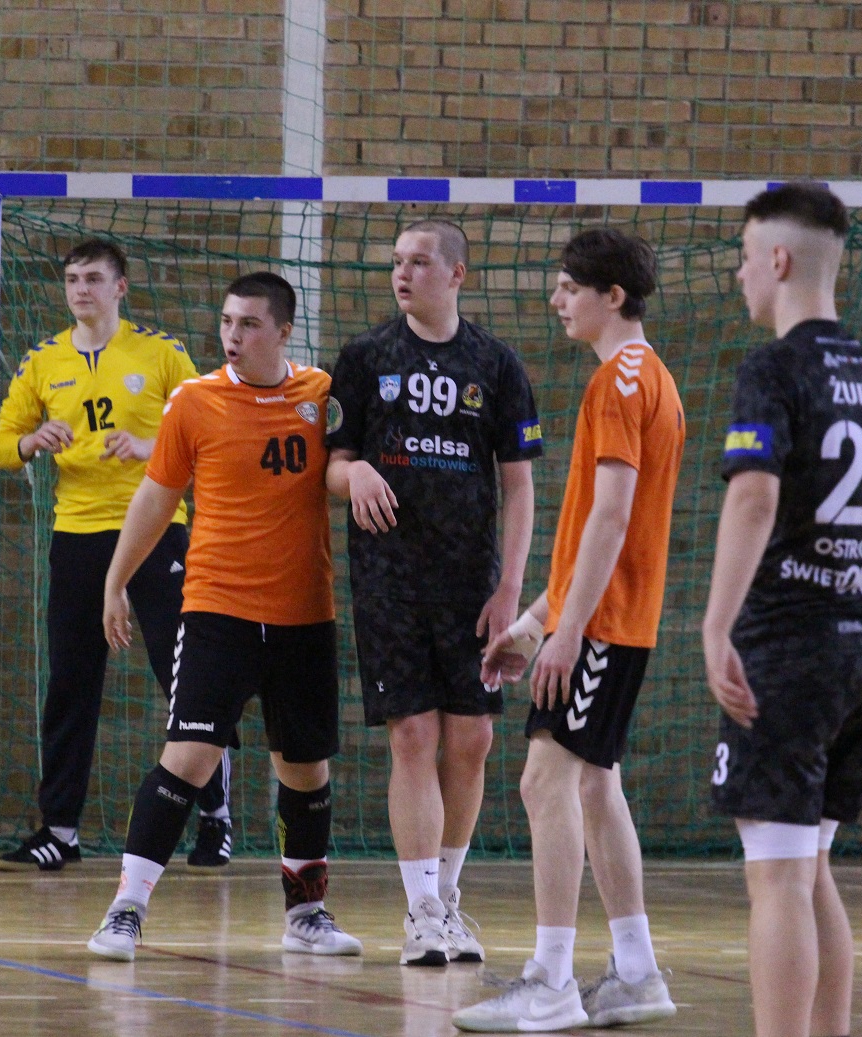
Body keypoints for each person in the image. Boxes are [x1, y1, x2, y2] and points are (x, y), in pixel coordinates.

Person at [85, 271, 362, 962]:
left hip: (305, 613)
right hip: (218, 610)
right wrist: (116, 581)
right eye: (227, 322)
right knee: (188, 757)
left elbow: (342, 469)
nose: (232, 336)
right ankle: (126, 909)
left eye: (249, 324)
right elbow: (156, 498)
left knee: (305, 768)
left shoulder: (321, 396)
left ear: (284, 331)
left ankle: (306, 913)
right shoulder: (195, 401)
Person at [452, 228, 683, 1031]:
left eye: (568, 287)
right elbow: (599, 526)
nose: (556, 300)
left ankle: (550, 981)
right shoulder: (648, 376)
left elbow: (612, 519)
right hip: (611, 618)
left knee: (542, 780)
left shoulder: (620, 381)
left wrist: (569, 630)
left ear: (611, 296)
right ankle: (637, 972)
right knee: (593, 782)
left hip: (605, 623)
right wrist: (534, 621)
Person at [702, 183, 862, 1037]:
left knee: (778, 877)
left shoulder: (775, 367)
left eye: (745, 256)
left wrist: (715, 624)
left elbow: (754, 497)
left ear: (780, 259)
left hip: (793, 648)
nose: (740, 274)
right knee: (811, 862)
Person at [325, 219, 541, 967]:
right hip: (389, 579)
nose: (402, 273)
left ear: (456, 274)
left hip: (471, 583)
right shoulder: (364, 358)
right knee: (412, 735)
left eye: (418, 261)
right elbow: (330, 465)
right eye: (396, 261)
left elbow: (519, 485)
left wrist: (510, 587)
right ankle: (419, 911)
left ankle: (448, 898)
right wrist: (353, 472)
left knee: (473, 738)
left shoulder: (497, 364)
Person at [0, 238, 234, 872]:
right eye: (73, 279)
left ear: (120, 287)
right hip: (77, 534)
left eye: (93, 279)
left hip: (154, 529)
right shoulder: (43, 361)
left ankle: (216, 818)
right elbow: (0, 444)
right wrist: (31, 441)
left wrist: (151, 446)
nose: (81, 290)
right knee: (71, 680)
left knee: (182, 675)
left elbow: (211, 430)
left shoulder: (161, 353)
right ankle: (60, 829)